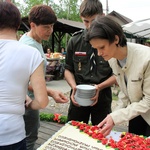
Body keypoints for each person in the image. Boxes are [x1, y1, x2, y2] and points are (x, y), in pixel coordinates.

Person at [86, 15, 150, 137]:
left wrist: (116, 117)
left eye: (102, 47)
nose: (99, 54)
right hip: (136, 112)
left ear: (116, 39)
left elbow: (148, 101)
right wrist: (112, 117)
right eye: (96, 49)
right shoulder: (112, 59)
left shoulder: (146, 59)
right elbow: (125, 93)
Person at [0, 2, 49, 150]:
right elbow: (42, 101)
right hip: (12, 134)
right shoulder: (31, 53)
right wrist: (28, 103)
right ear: (17, 24)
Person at [19, 4, 68, 150]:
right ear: (32, 25)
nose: (51, 31)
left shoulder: (35, 41)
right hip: (27, 101)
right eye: (46, 27)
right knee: (29, 136)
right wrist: (50, 92)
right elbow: (21, 81)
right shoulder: (28, 47)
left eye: (52, 26)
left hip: (31, 99)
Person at [64, 0, 116, 125]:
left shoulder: (112, 41)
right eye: (85, 21)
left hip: (102, 95)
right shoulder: (75, 41)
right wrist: (73, 87)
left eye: (93, 21)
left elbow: (118, 74)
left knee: (102, 132)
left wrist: (99, 87)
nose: (89, 26)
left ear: (102, 16)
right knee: (74, 131)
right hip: (79, 94)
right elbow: (68, 69)